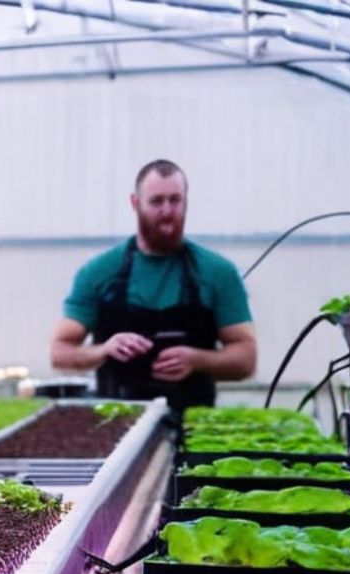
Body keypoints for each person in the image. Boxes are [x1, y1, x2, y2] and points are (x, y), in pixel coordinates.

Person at [49, 158, 257, 411]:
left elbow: (246, 359)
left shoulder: (218, 272)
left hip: (194, 427)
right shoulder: (98, 272)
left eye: (175, 200)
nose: (167, 211)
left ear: (186, 202)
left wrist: (198, 360)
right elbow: (60, 352)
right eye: (157, 201)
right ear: (135, 204)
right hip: (116, 424)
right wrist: (105, 349)